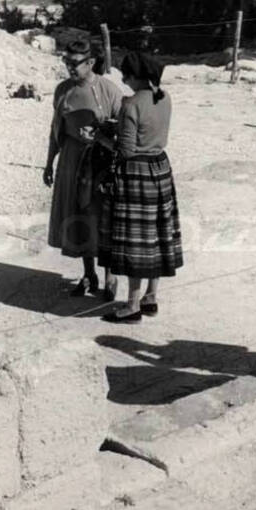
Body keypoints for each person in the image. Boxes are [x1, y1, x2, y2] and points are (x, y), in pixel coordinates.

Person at [98, 51, 183, 324]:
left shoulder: (131, 104)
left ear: (138, 77)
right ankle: (150, 297)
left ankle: (131, 305)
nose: (124, 80)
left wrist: (100, 137)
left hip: (136, 174)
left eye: (127, 75)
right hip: (160, 168)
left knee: (137, 240)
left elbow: (125, 150)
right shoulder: (164, 97)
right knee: (157, 234)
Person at [44, 40, 123, 298]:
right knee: (78, 217)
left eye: (74, 63)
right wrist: (49, 163)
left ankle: (111, 276)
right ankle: (89, 275)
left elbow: (122, 131)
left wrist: (100, 136)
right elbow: (56, 130)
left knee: (101, 217)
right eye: (66, 61)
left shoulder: (108, 90)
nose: (69, 67)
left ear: (90, 62)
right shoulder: (63, 90)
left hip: (101, 161)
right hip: (71, 161)